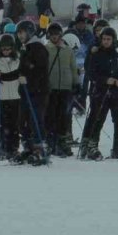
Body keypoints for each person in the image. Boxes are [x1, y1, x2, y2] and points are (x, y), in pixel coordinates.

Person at [79, 28, 118, 160]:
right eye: (104, 39)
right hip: (100, 91)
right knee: (97, 119)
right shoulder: (96, 53)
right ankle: (91, 145)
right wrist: (104, 80)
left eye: (109, 39)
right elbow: (91, 73)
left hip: (116, 91)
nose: (106, 41)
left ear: (113, 40)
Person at [15, 20, 49, 163]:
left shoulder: (38, 47)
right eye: (18, 33)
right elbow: (22, 68)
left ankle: (39, 149)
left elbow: (40, 70)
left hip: (37, 91)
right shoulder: (25, 48)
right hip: (26, 91)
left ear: (29, 32)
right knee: (23, 121)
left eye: (22, 33)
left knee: (36, 120)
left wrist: (28, 77)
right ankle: (28, 147)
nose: (20, 36)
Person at [43, 23, 77, 157]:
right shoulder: (45, 49)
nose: (54, 37)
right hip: (51, 88)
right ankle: (51, 141)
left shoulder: (68, 50)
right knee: (50, 116)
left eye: (56, 34)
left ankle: (63, 142)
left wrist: (76, 83)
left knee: (64, 116)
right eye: (52, 34)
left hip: (65, 87)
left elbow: (73, 68)